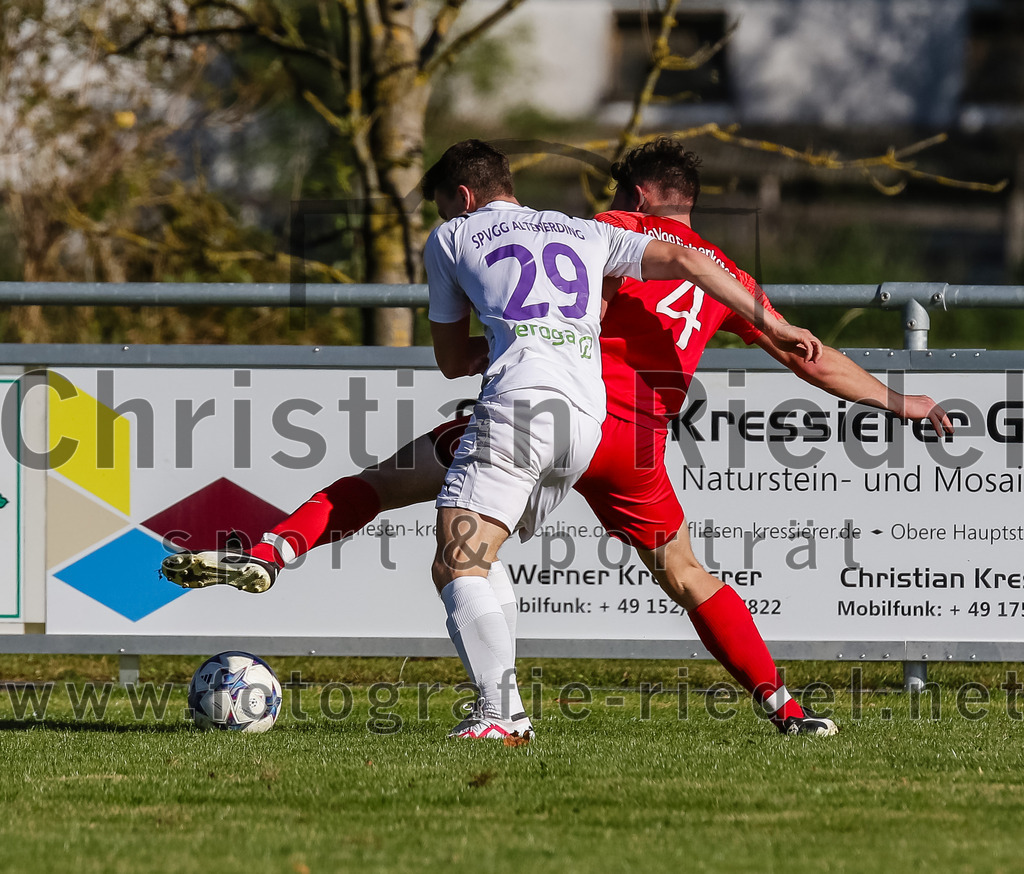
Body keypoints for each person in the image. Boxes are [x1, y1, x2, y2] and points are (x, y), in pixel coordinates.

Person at [162, 138, 947, 739]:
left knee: (388, 490)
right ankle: (784, 704)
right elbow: (803, 351)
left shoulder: (595, 228)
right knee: (686, 575)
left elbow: (543, 292)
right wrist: (894, 400)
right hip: (631, 445)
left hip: (547, 407)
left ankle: (278, 556)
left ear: (634, 194)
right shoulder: (724, 272)